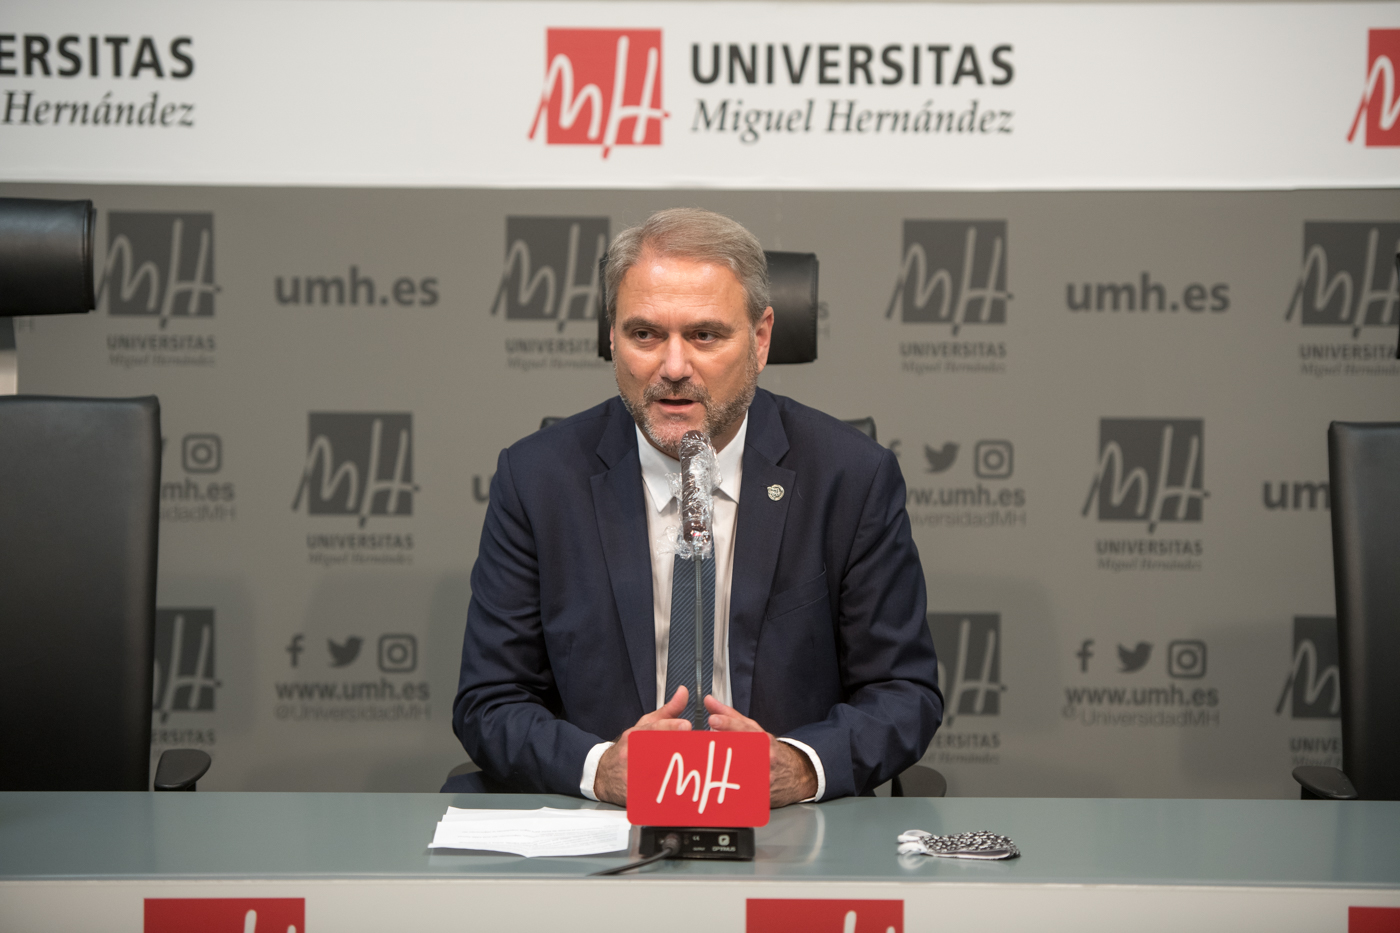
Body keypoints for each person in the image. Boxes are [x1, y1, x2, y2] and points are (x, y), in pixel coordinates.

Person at [449, 208, 941, 805]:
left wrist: (802, 766)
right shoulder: (538, 480)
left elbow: (903, 691)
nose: (674, 367)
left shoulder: (850, 477)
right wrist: (600, 768)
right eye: (644, 334)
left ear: (760, 339)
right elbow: (490, 701)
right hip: (603, 827)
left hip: (785, 831)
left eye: (705, 335)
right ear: (611, 337)